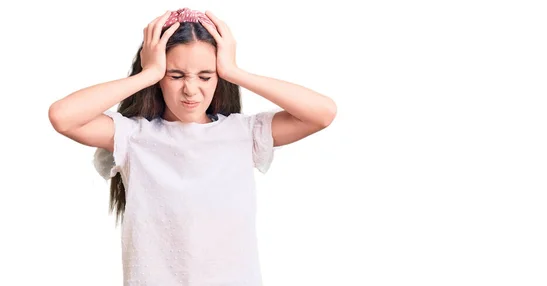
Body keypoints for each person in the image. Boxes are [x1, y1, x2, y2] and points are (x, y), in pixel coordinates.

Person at [48, 8, 336, 286]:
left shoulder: (242, 133)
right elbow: (63, 117)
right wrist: (148, 73)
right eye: (175, 76)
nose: (190, 89)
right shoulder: (133, 135)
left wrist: (235, 71)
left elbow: (322, 113)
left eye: (205, 76)